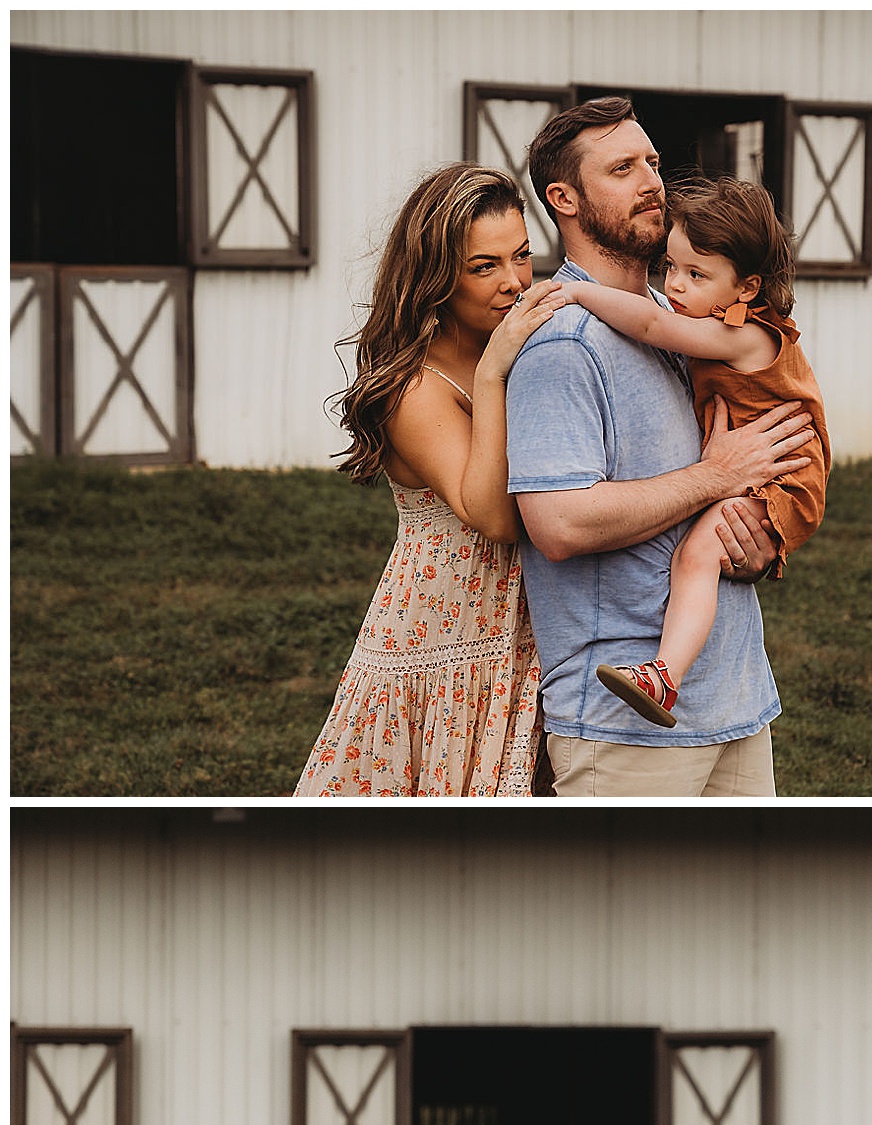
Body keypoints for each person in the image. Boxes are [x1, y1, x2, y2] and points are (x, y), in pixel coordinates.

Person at [504, 98, 818, 797]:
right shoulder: (565, 341)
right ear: (565, 199)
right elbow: (558, 525)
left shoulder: (687, 323)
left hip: (736, 705)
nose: (652, 180)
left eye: (652, 161)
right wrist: (715, 477)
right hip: (625, 729)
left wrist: (761, 543)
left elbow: (742, 486)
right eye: (623, 168)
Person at [293, 163, 565, 797]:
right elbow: (493, 515)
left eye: (522, 257)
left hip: (527, 625)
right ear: (437, 275)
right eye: (484, 267)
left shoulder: (521, 338)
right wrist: (496, 373)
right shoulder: (412, 387)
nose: (514, 282)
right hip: (446, 634)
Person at [558, 175, 831, 727]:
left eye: (697, 274)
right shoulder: (721, 319)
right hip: (765, 469)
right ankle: (665, 673)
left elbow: (654, 323)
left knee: (697, 557)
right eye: (671, 268)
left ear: (747, 288)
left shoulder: (745, 335)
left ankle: (664, 677)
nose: (676, 286)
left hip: (784, 476)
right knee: (696, 558)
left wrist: (580, 291)